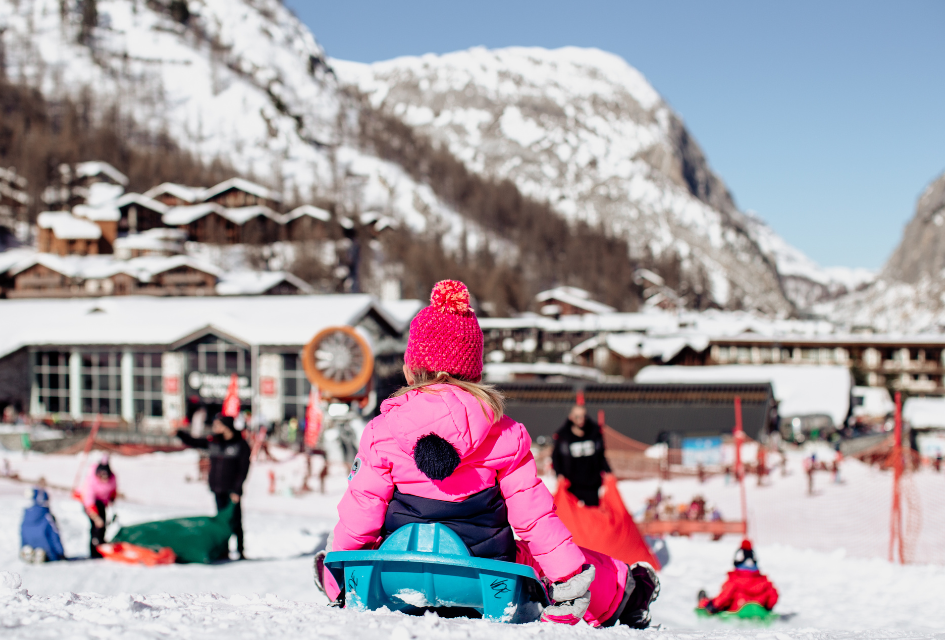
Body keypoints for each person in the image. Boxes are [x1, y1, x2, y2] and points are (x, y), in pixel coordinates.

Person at [314, 281, 659, 628]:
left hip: (399, 573)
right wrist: (568, 579)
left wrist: (335, 575)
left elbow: (361, 516)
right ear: (476, 373)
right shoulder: (506, 435)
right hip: (485, 580)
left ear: (409, 370)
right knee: (538, 557)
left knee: (370, 542)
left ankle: (338, 568)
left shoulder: (381, 431)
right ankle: (625, 593)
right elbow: (534, 519)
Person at [177, 414, 251, 560]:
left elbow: (243, 470)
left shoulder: (240, 445)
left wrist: (237, 490)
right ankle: (224, 550)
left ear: (227, 427)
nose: (215, 428)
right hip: (217, 488)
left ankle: (240, 550)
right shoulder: (214, 441)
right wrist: (179, 433)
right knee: (220, 522)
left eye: (218, 425)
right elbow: (194, 442)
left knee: (235, 520)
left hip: (232, 490)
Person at [551, 404, 611, 506]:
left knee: (592, 514)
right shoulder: (563, 437)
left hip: (592, 483)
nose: (581, 419)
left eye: (583, 416)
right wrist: (559, 474)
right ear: (571, 417)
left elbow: (601, 455)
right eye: (577, 416)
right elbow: (556, 457)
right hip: (572, 484)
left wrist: (608, 471)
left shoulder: (594, 433)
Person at [699, 540, 778, 614]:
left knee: (715, 603)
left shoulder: (735, 581)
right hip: (759, 610)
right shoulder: (763, 581)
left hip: (737, 611)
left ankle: (703, 601)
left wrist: (711, 605)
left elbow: (723, 598)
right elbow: (773, 596)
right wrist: (767, 608)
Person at [80, 456, 117, 558]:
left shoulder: (112, 478)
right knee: (96, 526)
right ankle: (94, 550)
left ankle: (101, 545)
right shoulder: (91, 481)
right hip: (91, 505)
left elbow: (113, 490)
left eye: (106, 476)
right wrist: (96, 518)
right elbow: (89, 502)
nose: (104, 478)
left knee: (103, 526)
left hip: (102, 504)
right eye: (102, 476)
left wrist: (112, 499)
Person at [20, 486, 65, 563]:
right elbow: (54, 534)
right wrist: (60, 552)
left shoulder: (26, 514)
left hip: (29, 543)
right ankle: (42, 554)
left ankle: (29, 551)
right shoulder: (46, 515)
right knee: (49, 550)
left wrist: (22, 546)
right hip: (46, 546)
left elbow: (22, 533)